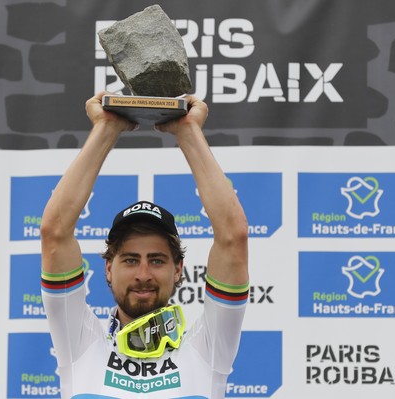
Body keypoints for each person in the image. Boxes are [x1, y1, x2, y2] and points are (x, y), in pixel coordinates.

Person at [40, 91, 249, 399]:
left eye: (157, 260)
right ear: (108, 268)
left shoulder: (208, 350)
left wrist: (188, 131)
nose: (143, 273)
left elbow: (233, 237)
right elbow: (55, 232)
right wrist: (106, 127)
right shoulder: (79, 344)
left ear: (178, 270)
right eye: (130, 260)